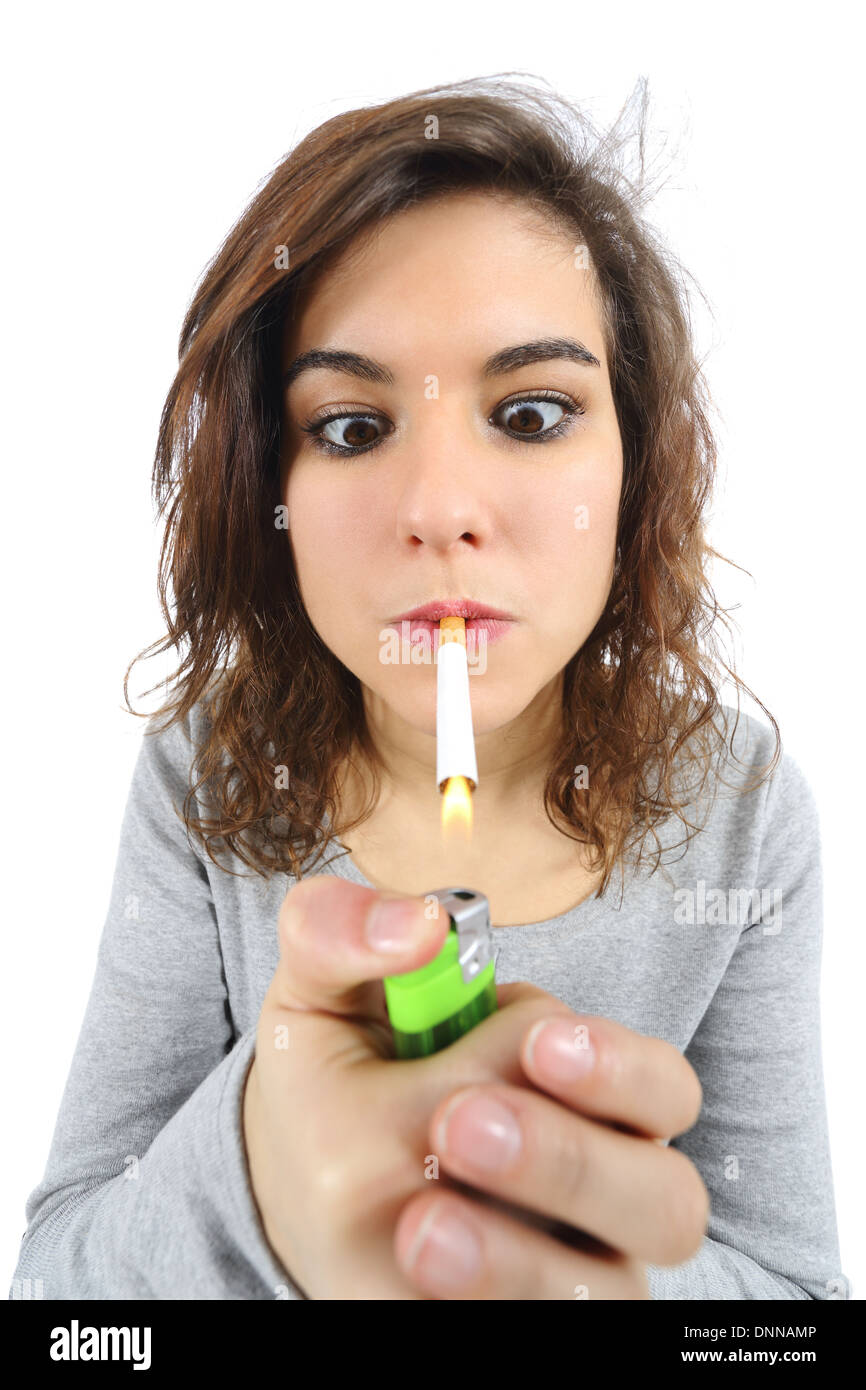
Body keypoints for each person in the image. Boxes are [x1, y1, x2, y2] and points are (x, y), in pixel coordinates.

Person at [10, 75, 850, 1301]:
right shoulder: (206, 773)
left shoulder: (741, 809)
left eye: (529, 411)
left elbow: (798, 1316)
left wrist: (570, 1275)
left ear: (637, 466)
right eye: (350, 428)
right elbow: (59, 1309)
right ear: (268, 489)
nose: (441, 510)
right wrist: (261, 1169)